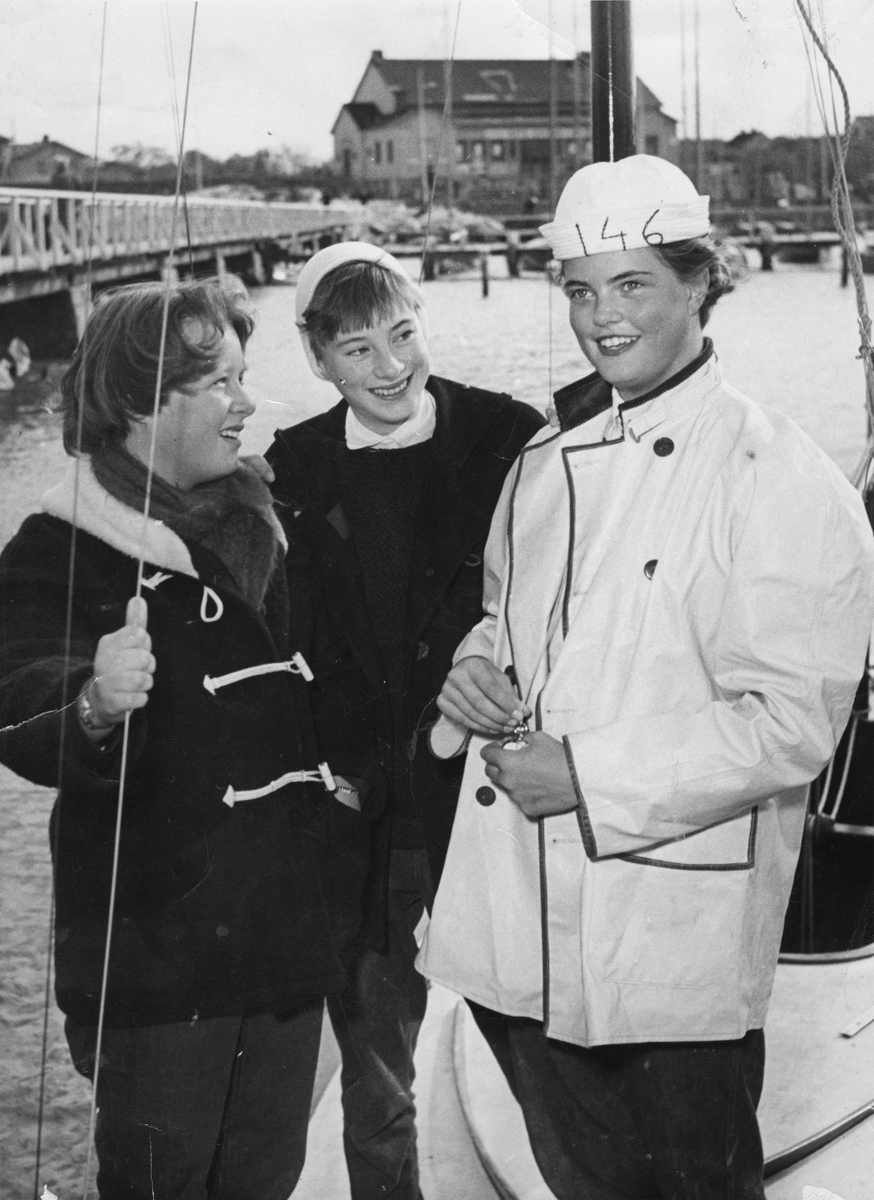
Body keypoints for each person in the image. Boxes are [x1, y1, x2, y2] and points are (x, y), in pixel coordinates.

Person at [418, 155, 874, 1199]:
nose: (600, 319)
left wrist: (585, 774)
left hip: (666, 946)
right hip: (514, 921)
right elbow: (502, 621)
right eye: (580, 290)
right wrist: (474, 671)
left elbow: (789, 725)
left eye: (631, 285)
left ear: (701, 282)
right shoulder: (543, 461)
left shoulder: (778, 476)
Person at [0, 277, 347, 1200]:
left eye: (243, 378)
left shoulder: (267, 517)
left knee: (266, 1178)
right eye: (219, 384)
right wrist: (92, 701)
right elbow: (16, 699)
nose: (246, 404)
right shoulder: (57, 545)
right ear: (139, 402)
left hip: (283, 946)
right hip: (155, 969)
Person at [266, 242, 544, 1200]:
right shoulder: (294, 467)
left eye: (402, 334)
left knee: (546, 1066)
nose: (390, 367)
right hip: (369, 817)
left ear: (425, 322)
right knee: (377, 1080)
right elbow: (299, 646)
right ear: (317, 359)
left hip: (484, 799)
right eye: (357, 349)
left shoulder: (509, 436)